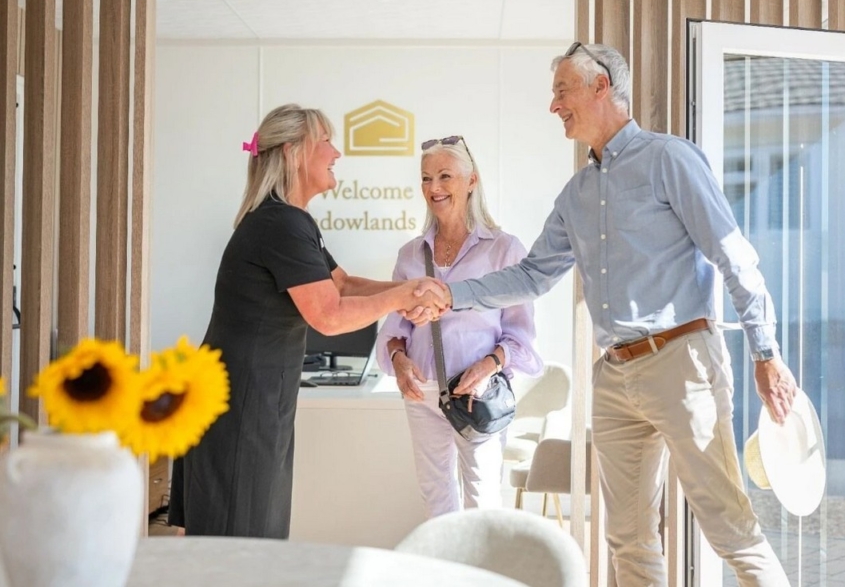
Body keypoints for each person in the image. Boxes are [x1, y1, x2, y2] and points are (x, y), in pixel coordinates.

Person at [415, 44, 797, 586]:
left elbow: (733, 255)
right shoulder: (577, 193)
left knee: (728, 527)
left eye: (562, 91)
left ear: (601, 86)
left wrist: (766, 352)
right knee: (628, 541)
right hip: (615, 375)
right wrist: (451, 295)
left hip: (681, 362)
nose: (553, 105)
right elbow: (532, 276)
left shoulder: (669, 159)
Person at [168, 103, 446, 539]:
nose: (337, 153)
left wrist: (411, 289)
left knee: (250, 540)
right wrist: (406, 296)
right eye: (326, 142)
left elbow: (343, 285)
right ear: (293, 152)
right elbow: (329, 316)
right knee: (239, 546)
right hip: (241, 406)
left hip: (254, 402)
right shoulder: (280, 223)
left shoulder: (289, 221)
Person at [377, 135, 542, 518]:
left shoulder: (504, 249)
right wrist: (399, 361)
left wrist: (488, 366)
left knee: (482, 502)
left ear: (471, 181)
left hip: (477, 394)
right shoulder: (411, 254)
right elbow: (396, 328)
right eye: (426, 178)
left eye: (445, 176)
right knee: (436, 499)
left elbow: (520, 334)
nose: (433, 187)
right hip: (422, 394)